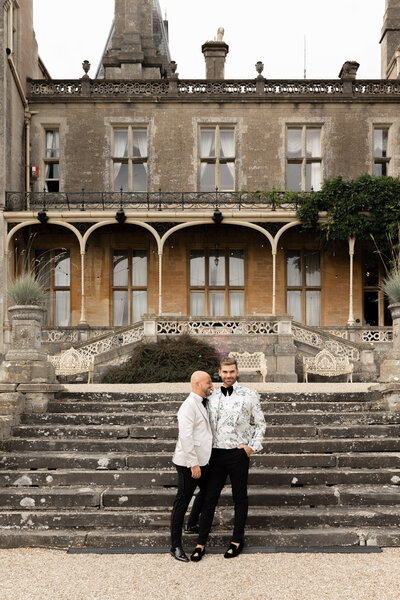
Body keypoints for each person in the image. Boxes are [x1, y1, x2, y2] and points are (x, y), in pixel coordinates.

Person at [190, 357, 266, 562]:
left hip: (237, 454)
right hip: (214, 454)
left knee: (239, 498)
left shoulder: (250, 394)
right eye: (225, 372)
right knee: (209, 498)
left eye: (232, 372)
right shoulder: (211, 395)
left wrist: (251, 447)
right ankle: (200, 543)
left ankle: (237, 540)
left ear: (237, 372)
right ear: (219, 373)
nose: (228, 376)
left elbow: (260, 424)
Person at [170, 370, 214, 562]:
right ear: (197, 384)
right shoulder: (188, 406)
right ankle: (175, 546)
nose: (212, 385)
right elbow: (186, 437)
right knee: (182, 501)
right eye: (209, 382)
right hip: (189, 463)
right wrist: (193, 464)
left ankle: (191, 523)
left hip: (204, 461)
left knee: (207, 492)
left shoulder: (204, 401)